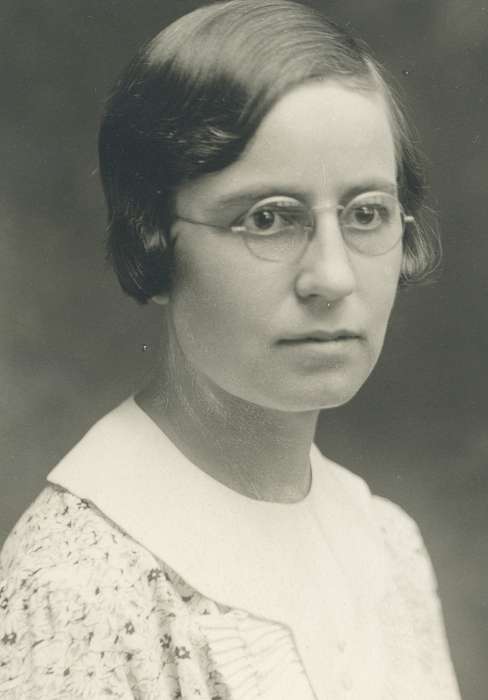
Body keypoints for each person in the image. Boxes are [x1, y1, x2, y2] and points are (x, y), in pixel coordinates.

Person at [0, 1, 461, 698]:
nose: (332, 277)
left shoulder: (389, 546)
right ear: (154, 241)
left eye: (366, 213)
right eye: (269, 219)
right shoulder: (76, 589)